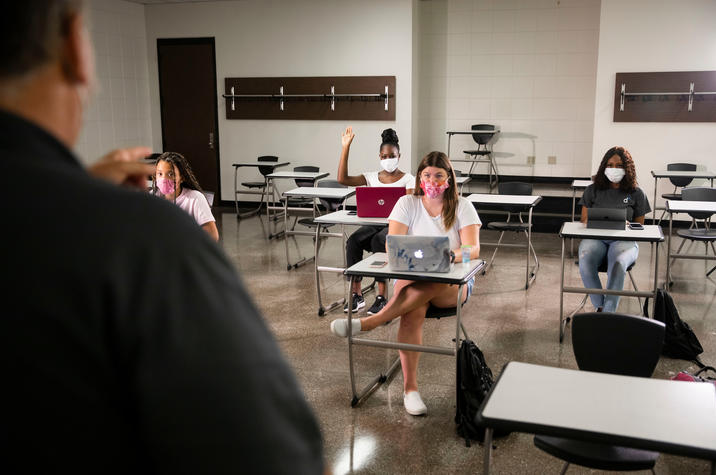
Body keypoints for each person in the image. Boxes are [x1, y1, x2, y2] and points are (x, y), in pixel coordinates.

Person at [0, 2, 324, 473]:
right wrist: (92, 206)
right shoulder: (141, 239)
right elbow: (275, 451)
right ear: (74, 47)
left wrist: (78, 191)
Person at [330, 151, 481, 416]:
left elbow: (474, 250)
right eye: (426, 175)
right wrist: (412, 260)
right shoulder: (406, 203)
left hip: (453, 285)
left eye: (438, 175)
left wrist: (452, 256)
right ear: (420, 177)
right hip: (411, 279)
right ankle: (410, 390)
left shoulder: (462, 205)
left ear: (449, 178)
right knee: (413, 309)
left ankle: (371, 322)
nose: (432, 180)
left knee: (431, 279)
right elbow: (393, 245)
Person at [337, 126, 415, 315]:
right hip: (373, 223)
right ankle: (356, 294)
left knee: (380, 240)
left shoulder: (409, 179)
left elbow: (411, 207)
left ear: (399, 156)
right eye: (385, 156)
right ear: (380, 157)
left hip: (395, 226)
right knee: (354, 241)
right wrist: (346, 147)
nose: (389, 160)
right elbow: (342, 179)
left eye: (392, 156)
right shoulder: (371, 177)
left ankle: (382, 297)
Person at [578, 146, 651, 313]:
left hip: (624, 240)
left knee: (618, 263)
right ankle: (601, 307)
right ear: (604, 166)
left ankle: (608, 314)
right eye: (610, 165)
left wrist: (627, 225)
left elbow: (639, 225)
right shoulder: (592, 190)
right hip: (595, 238)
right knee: (585, 259)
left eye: (619, 166)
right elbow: (584, 219)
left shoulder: (636, 193)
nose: (614, 169)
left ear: (627, 168)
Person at [153, 151, 220, 241]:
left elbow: (213, 236)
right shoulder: (150, 198)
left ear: (182, 178)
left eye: (171, 174)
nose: (164, 179)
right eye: (160, 174)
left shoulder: (195, 198)